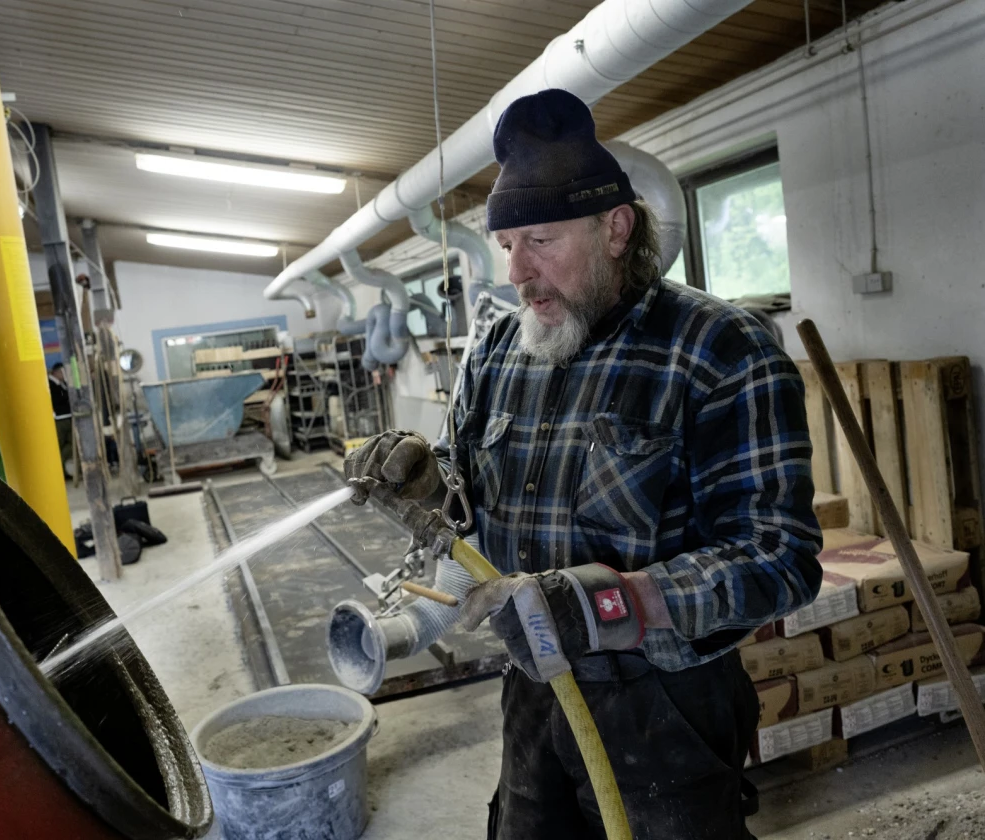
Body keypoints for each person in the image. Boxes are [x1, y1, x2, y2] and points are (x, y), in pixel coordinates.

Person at [345, 89, 822, 839]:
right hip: (533, 689)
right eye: (507, 247)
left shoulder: (722, 350)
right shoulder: (502, 350)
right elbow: (469, 495)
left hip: (666, 701)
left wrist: (612, 602)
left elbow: (782, 559)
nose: (518, 274)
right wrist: (427, 480)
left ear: (615, 228)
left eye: (541, 240)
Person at [48, 361, 73, 480]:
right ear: (56, 372)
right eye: (62, 372)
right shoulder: (50, 385)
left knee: (70, 445)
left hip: (67, 417)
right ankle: (59, 472)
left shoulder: (62, 384)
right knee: (58, 446)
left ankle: (65, 469)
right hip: (59, 420)